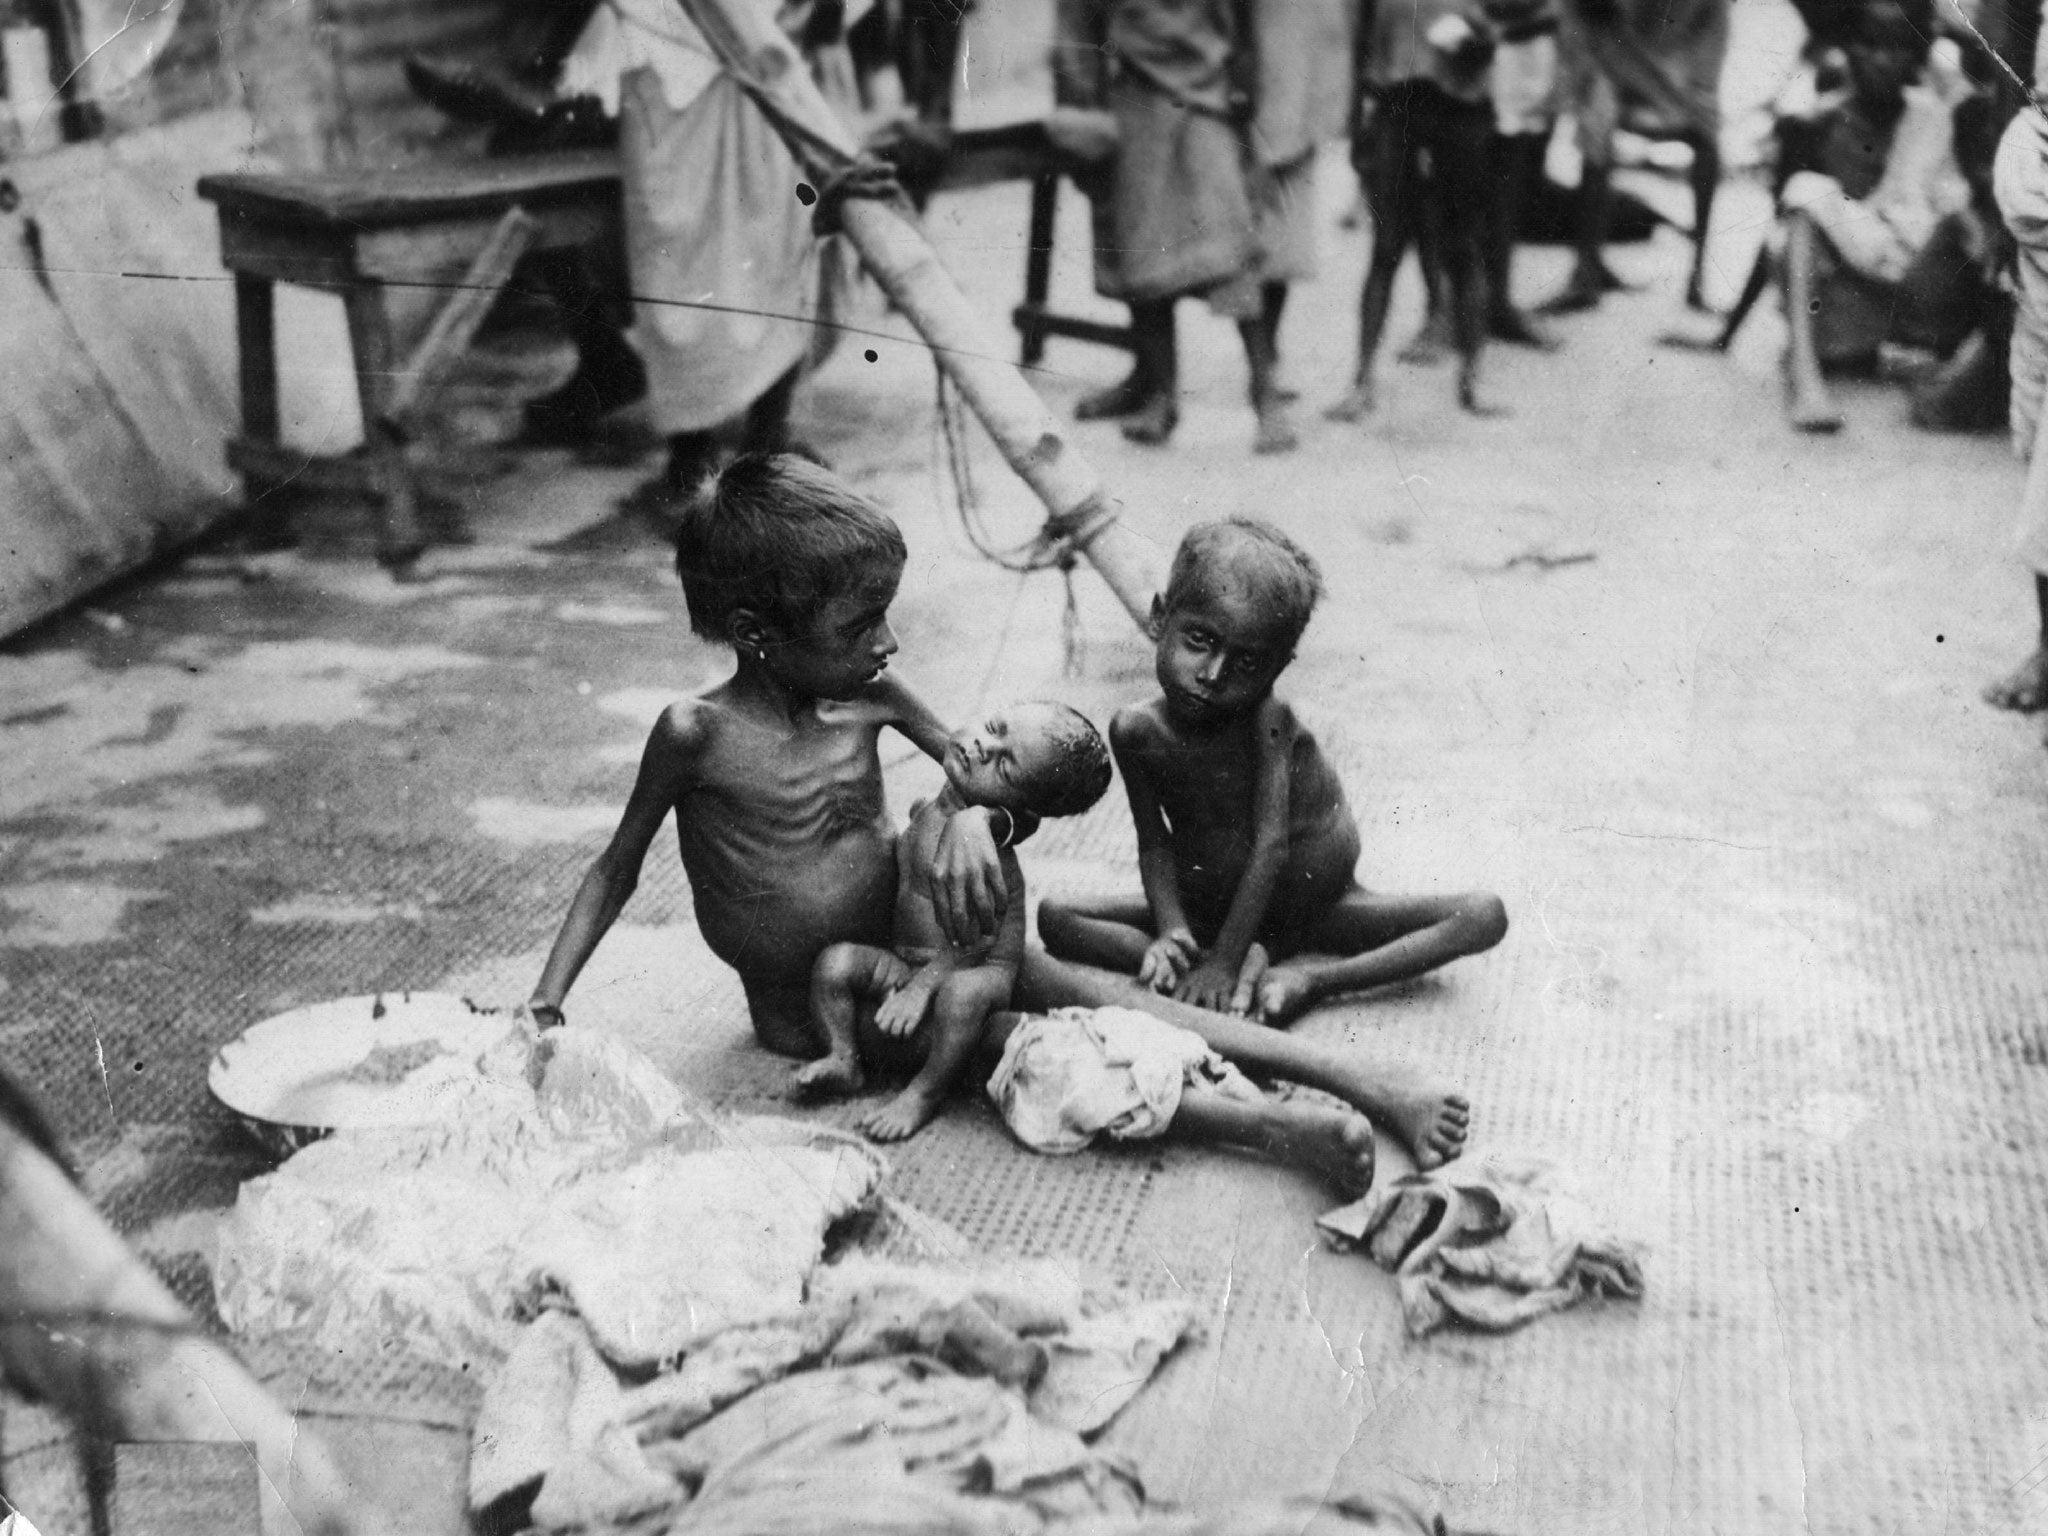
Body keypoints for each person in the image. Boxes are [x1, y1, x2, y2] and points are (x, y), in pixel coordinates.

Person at [527, 452, 1020, 1059]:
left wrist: (982, 819)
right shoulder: (695, 735)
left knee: (1051, 977)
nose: (889, 641)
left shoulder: (876, 698)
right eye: (860, 625)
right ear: (754, 632)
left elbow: (1011, 782)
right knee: (1019, 1041)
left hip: (915, 952)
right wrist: (544, 1005)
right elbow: (613, 871)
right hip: (806, 1010)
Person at [1037, 519, 1509, 1028]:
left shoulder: (1268, 723)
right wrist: (1172, 929)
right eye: (1199, 639)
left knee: (1483, 914)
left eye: (1245, 665)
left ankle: (1311, 978)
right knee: (1056, 917)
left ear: (1279, 667)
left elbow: (1271, 847)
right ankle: (1183, 960)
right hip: (1209, 908)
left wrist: (1224, 963)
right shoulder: (1134, 731)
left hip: (1313, 905)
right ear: (1159, 618)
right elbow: (1154, 843)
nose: (1213, 675)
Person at [800, 701, 1113, 1141]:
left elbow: (979, 943)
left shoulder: (989, 861)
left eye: (1005, 767)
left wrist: (921, 989)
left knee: (962, 998)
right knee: (835, 964)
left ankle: (925, 1093)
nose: (984, 747)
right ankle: (842, 1057)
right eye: (993, 725)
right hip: (912, 960)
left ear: (1019, 806)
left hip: (976, 967)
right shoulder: (927, 809)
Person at [1057, 0, 1289, 451]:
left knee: (1231, 253)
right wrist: (1083, 112)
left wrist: (1246, 84)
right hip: (1135, 99)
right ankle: (1163, 397)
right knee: (1143, 256)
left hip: (1208, 97)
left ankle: (1265, 397)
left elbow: (1245, 23)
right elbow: (1076, 34)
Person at [1777, 2, 1977, 431]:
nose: (1881, 59)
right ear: (1848, 51)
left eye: (1897, 48)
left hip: (1920, 264)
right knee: (1805, 194)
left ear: (1917, 59)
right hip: (1874, 259)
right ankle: (1805, 377)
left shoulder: (1935, 114)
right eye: (1869, 45)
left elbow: (1952, 203)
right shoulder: (1824, 117)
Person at [1325, 0, 1503, 419]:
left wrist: (1471, 40)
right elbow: (1362, 45)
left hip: (1461, 110)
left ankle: (1473, 378)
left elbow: (1494, 37)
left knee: (1462, 249)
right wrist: (1358, 126)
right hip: (1397, 108)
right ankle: (1362, 380)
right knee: (1385, 249)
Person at [1542, 0, 1727, 315]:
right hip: (1617, 66)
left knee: (1708, 141)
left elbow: (1709, 54)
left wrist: (1682, 86)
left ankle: (1698, 277)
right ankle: (1586, 271)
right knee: (1596, 117)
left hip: (1676, 77)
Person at [1984, 87, 2048, 715]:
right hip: (2043, 327)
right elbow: (2025, 208)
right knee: (2042, 486)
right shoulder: (2029, 136)